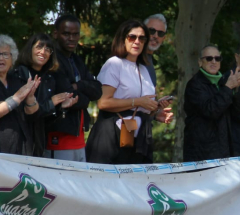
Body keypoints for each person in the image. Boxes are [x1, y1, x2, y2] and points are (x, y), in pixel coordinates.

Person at [86, 19, 172, 164]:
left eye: (142, 38)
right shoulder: (114, 64)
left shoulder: (144, 68)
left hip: (138, 140)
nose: (137, 41)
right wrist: (138, 101)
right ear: (122, 39)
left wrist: (155, 110)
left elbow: (140, 107)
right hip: (111, 135)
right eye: (132, 37)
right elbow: (103, 102)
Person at [48, 14, 104, 162]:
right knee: (60, 184)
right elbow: (68, 96)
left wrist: (78, 85)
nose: (71, 38)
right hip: (58, 137)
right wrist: (84, 97)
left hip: (78, 136)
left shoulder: (77, 60)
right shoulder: (52, 61)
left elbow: (98, 90)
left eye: (75, 34)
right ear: (56, 34)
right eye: (66, 34)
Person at [183, 44, 240, 161]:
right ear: (200, 62)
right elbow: (211, 110)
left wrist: (237, 88)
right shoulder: (195, 84)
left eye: (217, 58)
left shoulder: (224, 82)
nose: (214, 61)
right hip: (201, 154)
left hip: (223, 151)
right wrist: (228, 88)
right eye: (209, 58)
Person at [15, 33, 75, 157]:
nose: (43, 52)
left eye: (48, 49)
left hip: (39, 143)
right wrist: (51, 103)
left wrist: (61, 108)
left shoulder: (49, 78)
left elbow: (45, 120)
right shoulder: (18, 73)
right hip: (19, 141)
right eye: (39, 47)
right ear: (30, 49)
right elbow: (24, 113)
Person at [143, 13, 168, 87]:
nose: (156, 36)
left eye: (160, 33)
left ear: (163, 38)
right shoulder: (131, 59)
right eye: (151, 31)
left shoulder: (149, 61)